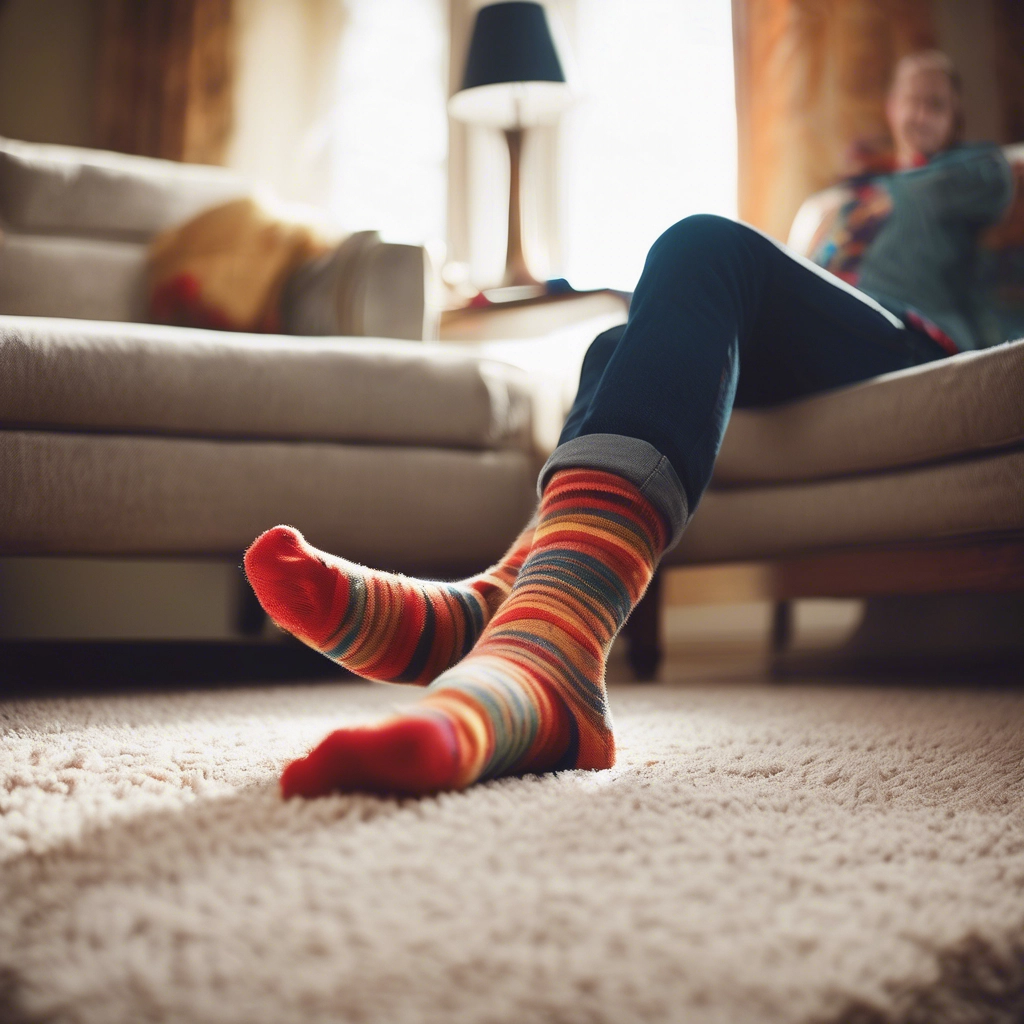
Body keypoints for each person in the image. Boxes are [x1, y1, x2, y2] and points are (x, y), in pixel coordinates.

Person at [243, 52, 1016, 799]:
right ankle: (503, 606)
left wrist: (912, 170)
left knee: (704, 242)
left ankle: (552, 650)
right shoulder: (852, 195)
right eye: (909, 98)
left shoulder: (972, 177)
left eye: (937, 102)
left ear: (954, 116)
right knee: (613, 345)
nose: (920, 112)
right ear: (889, 107)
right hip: (821, 342)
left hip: (915, 339)